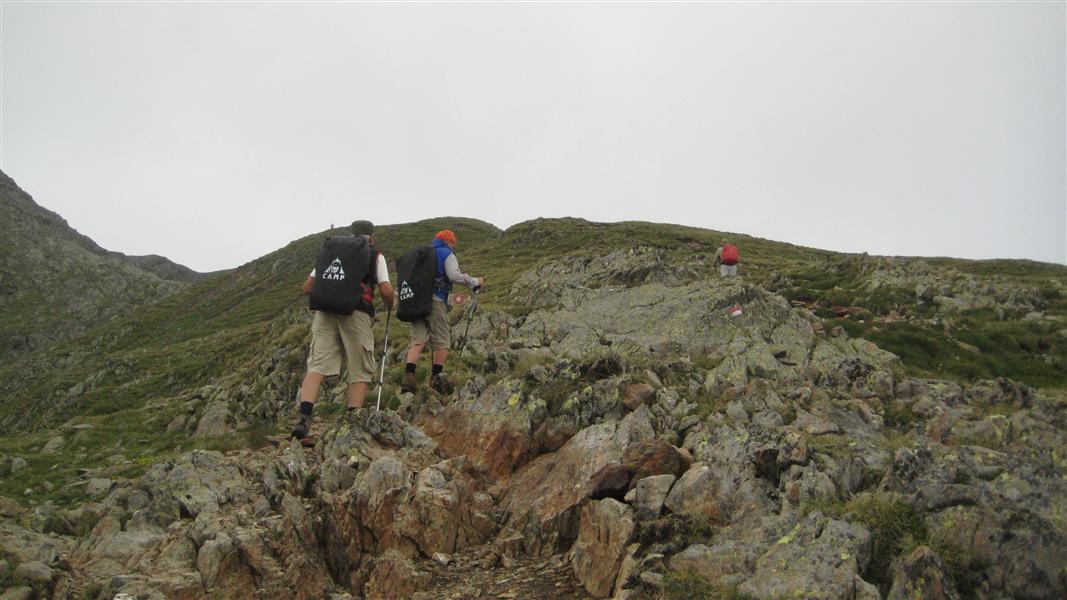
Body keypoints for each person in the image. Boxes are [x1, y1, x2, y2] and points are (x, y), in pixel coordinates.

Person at [291, 220, 394, 440]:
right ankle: (352, 421)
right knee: (360, 367)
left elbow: (307, 287)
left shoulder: (332, 253)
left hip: (325, 313)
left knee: (317, 365)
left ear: (351, 234)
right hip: (356, 313)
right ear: (371, 237)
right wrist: (390, 304)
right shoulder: (374, 254)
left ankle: (303, 419)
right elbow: (386, 289)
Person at [400, 229, 484, 394]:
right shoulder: (446, 254)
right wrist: (475, 281)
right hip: (436, 299)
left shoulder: (423, 254)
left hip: (416, 301)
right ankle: (436, 380)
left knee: (417, 341)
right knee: (443, 342)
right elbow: (454, 276)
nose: (454, 246)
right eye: (454, 243)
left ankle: (408, 378)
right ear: (449, 241)